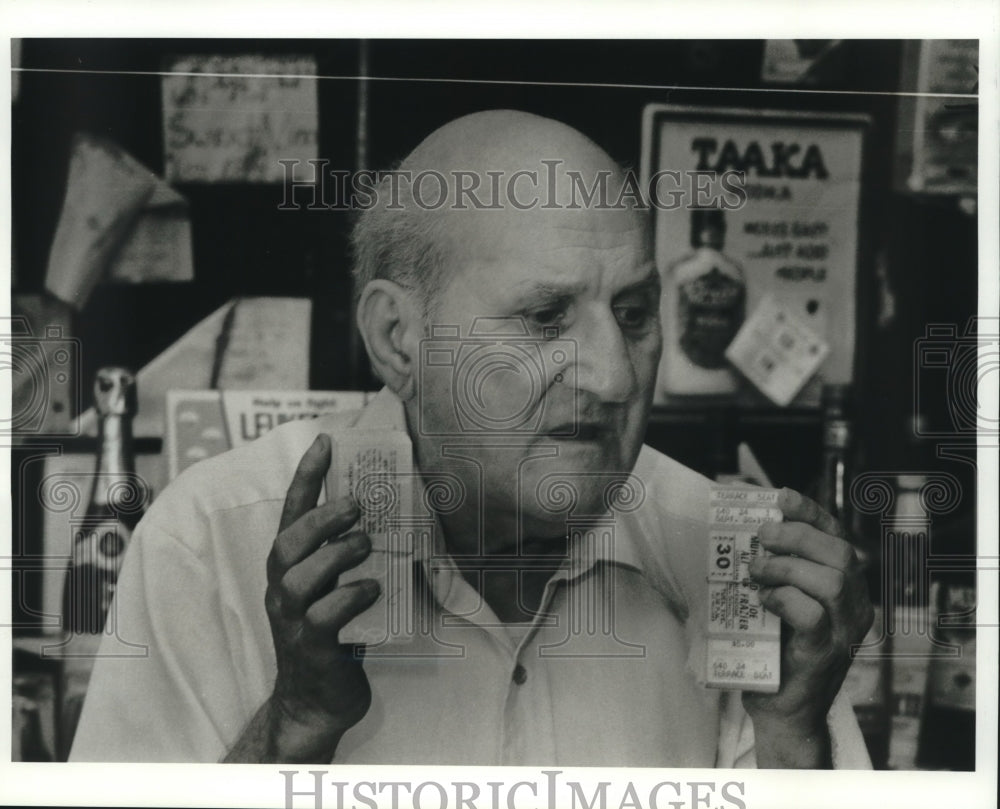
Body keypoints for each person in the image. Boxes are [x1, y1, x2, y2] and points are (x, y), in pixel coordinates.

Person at [70, 110, 874, 767]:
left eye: (631, 315)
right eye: (545, 317)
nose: (616, 378)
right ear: (398, 338)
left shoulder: (725, 558)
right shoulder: (209, 541)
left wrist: (794, 734)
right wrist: (295, 724)